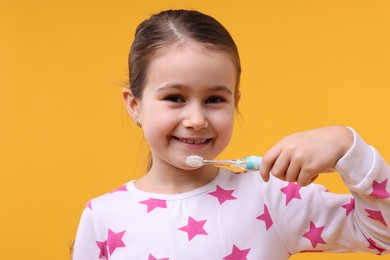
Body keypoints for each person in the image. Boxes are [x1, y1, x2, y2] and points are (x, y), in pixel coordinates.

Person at [73, 9, 390, 259]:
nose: (197, 119)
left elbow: (382, 236)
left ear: (235, 102)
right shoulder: (102, 216)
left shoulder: (270, 197)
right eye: (175, 98)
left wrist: (347, 146)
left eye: (214, 100)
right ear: (135, 105)